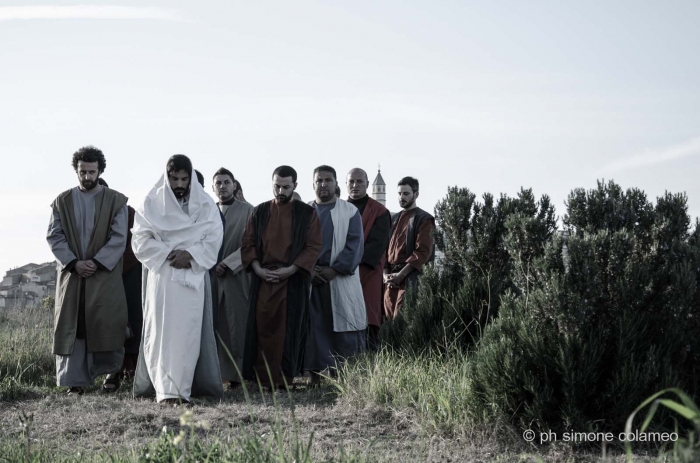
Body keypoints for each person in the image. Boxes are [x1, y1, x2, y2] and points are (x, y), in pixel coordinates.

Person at [131, 154, 224, 404]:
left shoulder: (205, 204)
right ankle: (163, 390)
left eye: (184, 179)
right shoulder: (151, 202)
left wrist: (191, 255)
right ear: (167, 177)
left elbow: (214, 238)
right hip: (162, 277)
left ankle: (182, 390)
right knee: (161, 331)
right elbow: (140, 239)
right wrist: (169, 254)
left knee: (188, 332)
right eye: (175, 179)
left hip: (191, 279)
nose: (180, 184)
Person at [46, 146, 128, 395]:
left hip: (103, 275)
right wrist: (73, 263)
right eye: (83, 172)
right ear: (76, 171)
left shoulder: (116, 200)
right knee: (74, 324)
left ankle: (110, 377)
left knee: (105, 322)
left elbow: (119, 237)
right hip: (72, 277)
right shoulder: (62, 201)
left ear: (100, 170)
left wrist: (96, 262)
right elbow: (54, 236)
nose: (87, 177)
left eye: (92, 172)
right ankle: (75, 382)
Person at [240, 166, 322, 390]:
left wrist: (292, 269)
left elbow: (313, 246)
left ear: (295, 186)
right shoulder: (259, 211)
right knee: (262, 327)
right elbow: (247, 244)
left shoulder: (307, 213)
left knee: (287, 331)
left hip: (291, 281)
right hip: (263, 279)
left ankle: (284, 380)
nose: (281, 191)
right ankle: (262, 380)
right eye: (277, 186)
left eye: (286, 187)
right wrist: (257, 268)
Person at [305, 165, 366, 384]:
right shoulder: (304, 212)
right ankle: (315, 376)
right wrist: (309, 269)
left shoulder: (350, 211)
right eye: (319, 180)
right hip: (311, 279)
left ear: (336, 183)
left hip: (339, 279)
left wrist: (334, 270)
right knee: (313, 328)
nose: (323, 184)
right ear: (313, 184)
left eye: (328, 180)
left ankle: (341, 376)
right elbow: (295, 247)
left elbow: (354, 245)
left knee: (342, 328)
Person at [97, 178, 143, 391]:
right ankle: (110, 370)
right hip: (98, 277)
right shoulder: (90, 215)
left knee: (132, 321)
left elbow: (135, 244)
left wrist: (112, 267)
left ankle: (126, 370)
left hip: (128, 274)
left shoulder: (128, 211)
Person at [210, 167, 254, 388]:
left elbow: (253, 243)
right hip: (210, 278)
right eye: (218, 183)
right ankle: (215, 374)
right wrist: (211, 263)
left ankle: (238, 375)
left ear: (234, 185)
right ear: (212, 187)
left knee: (237, 325)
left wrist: (228, 263)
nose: (223, 186)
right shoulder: (206, 211)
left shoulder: (248, 211)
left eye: (227, 182)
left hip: (237, 277)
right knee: (213, 325)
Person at [346, 168, 391, 350]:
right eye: (351, 182)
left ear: (366, 184)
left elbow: (376, 247)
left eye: (359, 182)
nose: (355, 186)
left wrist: (346, 264)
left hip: (367, 273)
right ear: (346, 184)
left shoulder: (379, 211)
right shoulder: (340, 208)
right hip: (340, 274)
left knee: (368, 316)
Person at [383, 176, 435, 319]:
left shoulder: (424, 219)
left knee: (402, 321)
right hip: (391, 281)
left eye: (406, 194)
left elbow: (422, 252)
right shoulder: (393, 218)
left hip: (410, 280)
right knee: (388, 324)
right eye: (399, 193)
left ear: (416, 194)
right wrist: (386, 274)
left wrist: (401, 275)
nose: (401, 197)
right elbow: (385, 249)